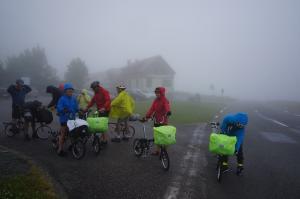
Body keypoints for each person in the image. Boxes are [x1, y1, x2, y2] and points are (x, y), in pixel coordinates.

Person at [142, 87, 171, 155]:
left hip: (163, 121)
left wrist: (168, 112)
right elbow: (152, 109)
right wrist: (147, 116)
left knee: (164, 137)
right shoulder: (156, 100)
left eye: (158, 93)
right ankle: (157, 151)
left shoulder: (165, 100)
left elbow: (167, 107)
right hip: (156, 120)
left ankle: (164, 151)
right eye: (156, 93)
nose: (157, 94)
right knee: (157, 136)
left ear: (162, 93)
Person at [56, 83, 79, 156]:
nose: (70, 92)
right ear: (65, 91)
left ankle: (73, 147)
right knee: (63, 134)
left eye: (71, 91)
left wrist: (80, 110)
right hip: (64, 119)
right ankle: (60, 150)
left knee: (73, 134)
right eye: (69, 91)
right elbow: (59, 108)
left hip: (72, 119)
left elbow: (76, 107)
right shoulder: (62, 99)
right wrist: (63, 109)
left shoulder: (74, 98)